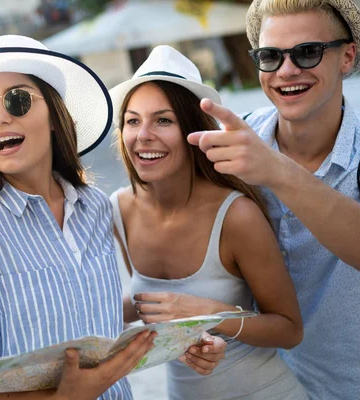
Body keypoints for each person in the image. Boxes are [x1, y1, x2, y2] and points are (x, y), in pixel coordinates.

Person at [0, 35, 226, 399]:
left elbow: (101, 329)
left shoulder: (96, 207)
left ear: (53, 114)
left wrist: (184, 341)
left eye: (17, 100)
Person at [187, 1, 360, 399]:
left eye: (307, 52)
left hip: (344, 387)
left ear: (347, 57)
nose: (286, 70)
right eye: (270, 56)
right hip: (249, 383)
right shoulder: (239, 138)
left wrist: (275, 170)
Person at [108, 45, 308, 400]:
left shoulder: (236, 216)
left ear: (194, 131)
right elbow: (149, 304)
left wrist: (208, 313)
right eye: (133, 120)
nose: (143, 135)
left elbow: (289, 330)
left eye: (163, 120)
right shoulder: (118, 209)